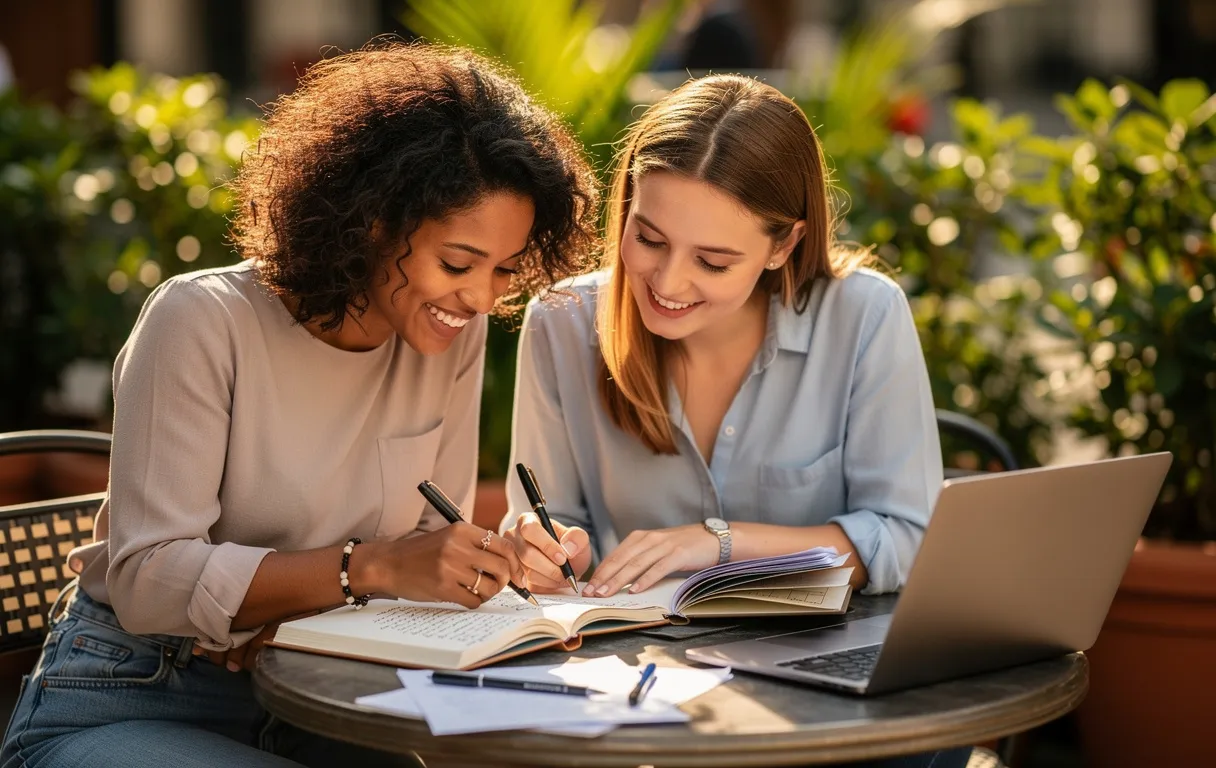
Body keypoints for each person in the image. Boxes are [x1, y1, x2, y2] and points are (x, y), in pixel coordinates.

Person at [1, 42, 598, 768]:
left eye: (504, 271)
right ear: (373, 222)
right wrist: (365, 569)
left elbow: (421, 530)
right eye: (457, 263)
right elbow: (149, 580)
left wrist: (477, 565)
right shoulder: (201, 322)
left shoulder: (449, 332)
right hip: (138, 691)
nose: (480, 299)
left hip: (322, 690)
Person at [501, 75, 965, 768]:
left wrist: (717, 544)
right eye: (649, 238)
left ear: (783, 245)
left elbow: (910, 537)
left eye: (713, 261)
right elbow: (547, 521)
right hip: (644, 690)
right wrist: (543, 549)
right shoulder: (564, 325)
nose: (667, 282)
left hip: (831, 692)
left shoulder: (865, 316)